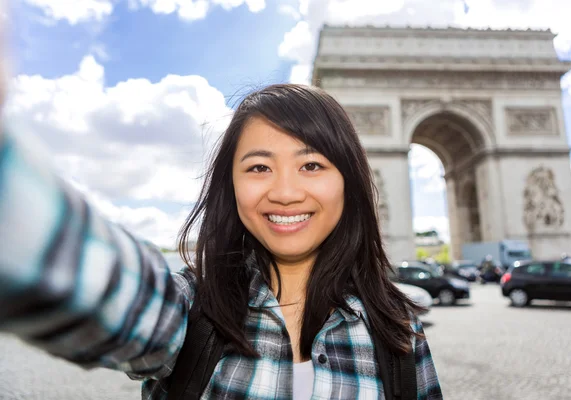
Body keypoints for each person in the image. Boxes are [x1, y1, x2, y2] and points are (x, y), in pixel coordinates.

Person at [0, 33, 442, 398]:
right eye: (258, 167)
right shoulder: (192, 308)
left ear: (348, 181)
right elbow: (95, 286)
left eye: (311, 165)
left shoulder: (400, 330)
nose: (285, 192)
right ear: (229, 187)